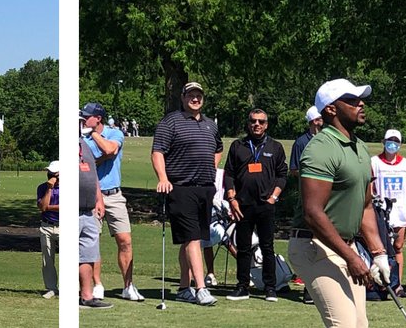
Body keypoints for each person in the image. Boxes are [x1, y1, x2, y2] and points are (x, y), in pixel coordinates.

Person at [281, 79, 390, 328]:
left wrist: (377, 253)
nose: (361, 104)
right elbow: (313, 213)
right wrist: (352, 259)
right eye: (352, 100)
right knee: (343, 326)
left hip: (344, 247)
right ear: (331, 109)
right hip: (312, 246)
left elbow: (364, 207)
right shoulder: (319, 149)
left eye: (361, 99)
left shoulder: (359, 149)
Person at [151, 82, 224, 306]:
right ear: (183, 98)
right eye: (191, 95)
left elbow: (218, 149)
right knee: (192, 238)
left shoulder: (210, 125)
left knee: (192, 239)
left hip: (205, 187)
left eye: (198, 95)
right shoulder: (171, 121)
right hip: (180, 187)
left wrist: (209, 168)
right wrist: (163, 178)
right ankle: (201, 288)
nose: (195, 98)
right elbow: (157, 152)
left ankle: (184, 287)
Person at [223, 108, 287, 301]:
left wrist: (273, 197)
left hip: (265, 204)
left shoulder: (275, 147)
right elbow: (229, 174)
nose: (256, 125)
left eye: (260, 121)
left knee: (267, 246)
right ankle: (242, 286)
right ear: (248, 123)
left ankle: (270, 288)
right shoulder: (238, 145)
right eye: (253, 121)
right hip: (242, 205)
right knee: (243, 247)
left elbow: (282, 175)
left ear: (266, 124)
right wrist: (232, 199)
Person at [80, 102, 139, 301]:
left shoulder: (115, 133)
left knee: (125, 240)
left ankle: (128, 286)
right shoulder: (81, 140)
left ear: (98, 119)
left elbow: (110, 149)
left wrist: (93, 135)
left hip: (114, 195)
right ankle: (97, 284)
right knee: (92, 241)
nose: (83, 120)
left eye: (87, 117)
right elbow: (85, 163)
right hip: (91, 196)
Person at [369, 128, 406, 282]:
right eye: (390, 141)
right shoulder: (374, 162)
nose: (393, 145)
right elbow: (370, 187)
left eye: (396, 142)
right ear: (384, 142)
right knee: (381, 247)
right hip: (381, 210)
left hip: (401, 210)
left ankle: (398, 282)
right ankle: (381, 281)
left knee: (398, 247)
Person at [78, 137, 111, 309]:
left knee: (88, 254)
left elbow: (93, 175)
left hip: (88, 210)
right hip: (72, 211)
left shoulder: (85, 145)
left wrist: (99, 200)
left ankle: (87, 296)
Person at [38, 160, 59, 298]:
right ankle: (51, 288)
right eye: (49, 173)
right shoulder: (43, 188)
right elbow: (42, 207)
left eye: (54, 174)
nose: (50, 176)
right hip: (46, 225)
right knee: (47, 259)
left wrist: (49, 207)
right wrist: (49, 189)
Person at [290, 106, 323, 177]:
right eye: (322, 118)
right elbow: (294, 170)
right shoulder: (300, 143)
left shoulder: (328, 140)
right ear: (315, 121)